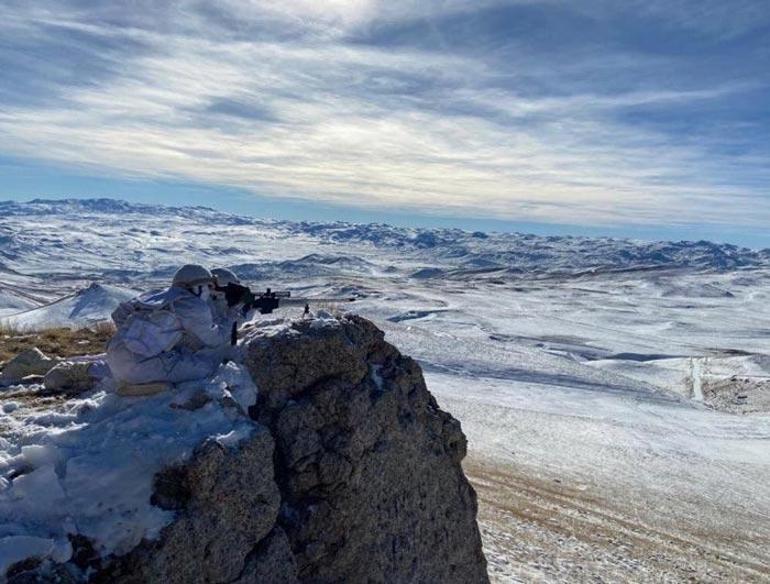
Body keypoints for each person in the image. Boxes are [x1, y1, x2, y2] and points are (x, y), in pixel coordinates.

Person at [106, 264, 232, 388]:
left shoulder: (155, 295)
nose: (209, 292)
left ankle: (123, 373)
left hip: (114, 354)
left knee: (179, 352)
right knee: (206, 367)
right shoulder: (193, 305)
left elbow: (118, 314)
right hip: (138, 366)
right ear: (196, 286)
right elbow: (215, 340)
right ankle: (140, 386)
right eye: (207, 286)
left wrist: (135, 337)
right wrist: (234, 317)